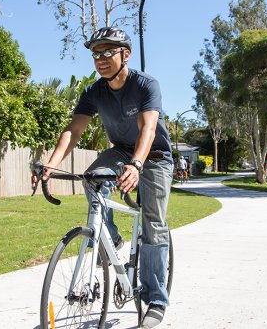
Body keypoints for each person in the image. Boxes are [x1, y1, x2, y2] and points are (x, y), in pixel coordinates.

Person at [32, 26, 173, 328]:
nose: (101, 58)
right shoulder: (93, 92)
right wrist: (51, 164)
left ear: (126, 55)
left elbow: (148, 128)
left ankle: (156, 300)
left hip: (155, 157)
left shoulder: (146, 85)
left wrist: (137, 165)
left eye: (108, 51)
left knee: (153, 224)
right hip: (122, 150)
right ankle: (109, 236)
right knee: (92, 176)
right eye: (96, 53)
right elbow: (74, 130)